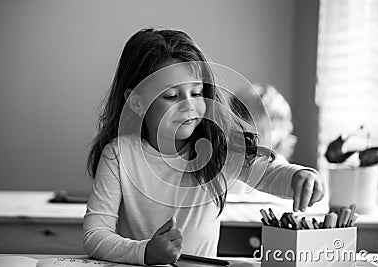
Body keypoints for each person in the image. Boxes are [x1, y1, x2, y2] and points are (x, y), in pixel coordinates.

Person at [83, 27, 325, 266]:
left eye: (196, 93)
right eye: (171, 96)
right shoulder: (118, 156)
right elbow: (95, 236)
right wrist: (144, 252)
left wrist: (300, 176)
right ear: (137, 102)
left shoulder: (218, 149)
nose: (189, 105)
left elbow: (270, 172)